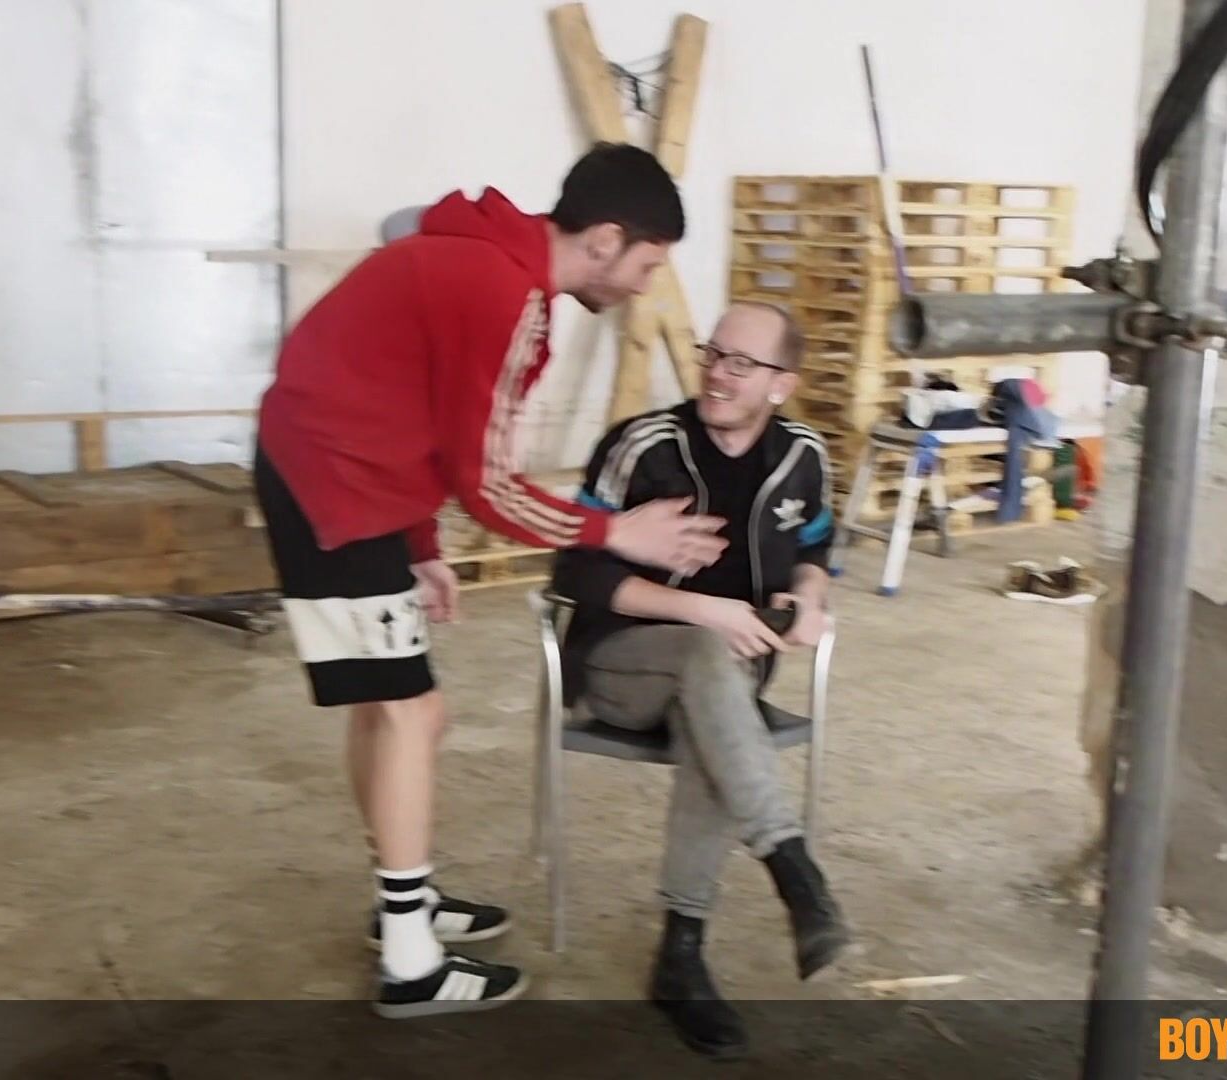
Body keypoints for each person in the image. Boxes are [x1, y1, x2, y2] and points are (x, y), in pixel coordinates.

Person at [252, 142, 728, 1019]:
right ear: (605, 240)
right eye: (648, 264)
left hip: (340, 471)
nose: (645, 285)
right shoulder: (501, 289)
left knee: (388, 707)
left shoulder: (483, 264)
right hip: (331, 480)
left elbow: (416, 410)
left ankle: (400, 902)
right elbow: (491, 485)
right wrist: (616, 531)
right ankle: (410, 961)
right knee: (411, 713)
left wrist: (420, 542)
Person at [549, 300, 852, 1059]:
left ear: (781, 383)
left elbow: (815, 548)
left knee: (712, 709)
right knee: (706, 663)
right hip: (622, 663)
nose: (718, 373)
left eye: (741, 363)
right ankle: (790, 867)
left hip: (730, 669)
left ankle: (680, 957)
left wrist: (810, 596)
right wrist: (700, 609)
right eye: (713, 353)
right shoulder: (644, 444)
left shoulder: (804, 456)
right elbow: (573, 571)